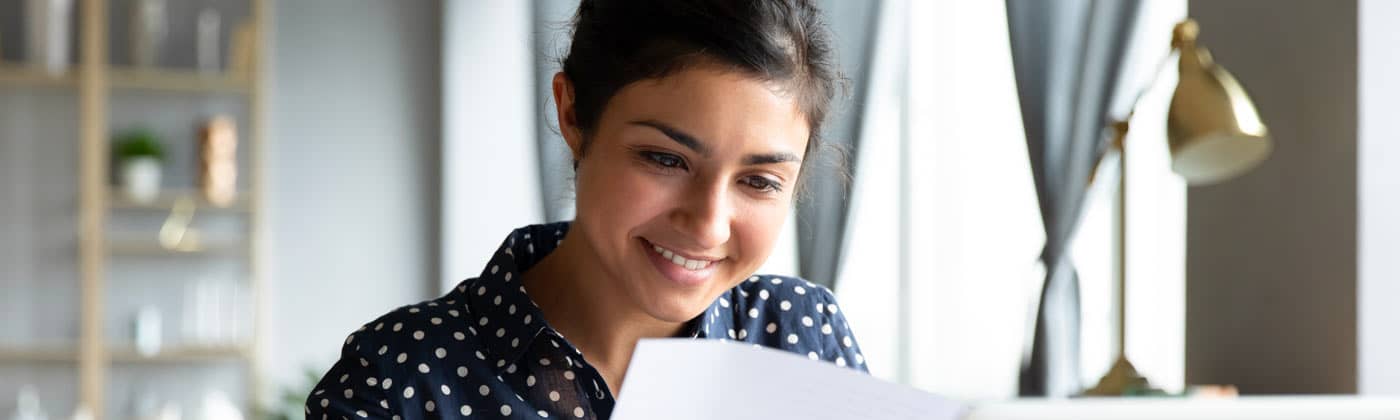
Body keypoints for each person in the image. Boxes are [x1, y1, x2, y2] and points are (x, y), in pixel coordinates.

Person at [306, 1, 866, 418]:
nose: (708, 224)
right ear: (574, 116)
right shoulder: (399, 376)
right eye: (665, 159)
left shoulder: (802, 335)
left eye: (760, 181)